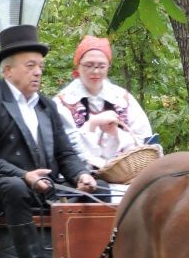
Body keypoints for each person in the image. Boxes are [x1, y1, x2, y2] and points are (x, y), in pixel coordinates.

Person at [0, 24, 98, 258]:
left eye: (40, 66)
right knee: (15, 187)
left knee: (101, 192)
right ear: (8, 70)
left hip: (44, 185)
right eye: (30, 66)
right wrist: (24, 175)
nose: (38, 72)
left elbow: (65, 153)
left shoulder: (46, 105)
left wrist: (82, 174)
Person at [53, 35, 154, 171]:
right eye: (89, 65)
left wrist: (117, 134)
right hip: (78, 178)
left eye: (101, 66)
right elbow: (64, 147)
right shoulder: (63, 102)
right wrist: (92, 124)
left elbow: (143, 139)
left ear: (108, 67)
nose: (95, 71)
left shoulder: (123, 99)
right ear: (78, 65)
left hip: (125, 174)